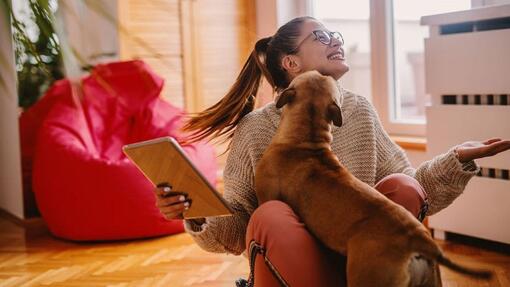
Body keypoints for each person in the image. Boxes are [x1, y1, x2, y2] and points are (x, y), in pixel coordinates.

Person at [153, 16, 510, 286]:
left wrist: (457, 159)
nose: (335, 40)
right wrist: (196, 212)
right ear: (290, 64)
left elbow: (413, 192)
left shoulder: (359, 110)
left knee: (401, 183)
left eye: (334, 34)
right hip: (296, 264)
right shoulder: (255, 129)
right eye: (320, 37)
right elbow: (238, 231)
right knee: (270, 215)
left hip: (368, 261)